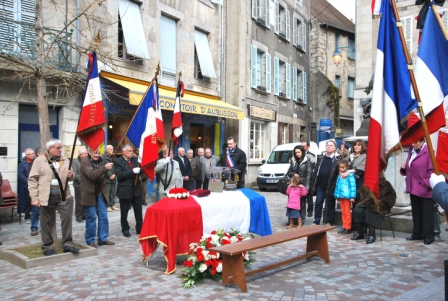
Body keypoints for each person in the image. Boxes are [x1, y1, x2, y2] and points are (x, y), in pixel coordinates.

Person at [28, 138, 79, 256]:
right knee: (46, 222)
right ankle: (47, 246)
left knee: (67, 220)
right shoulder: (40, 161)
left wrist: (71, 175)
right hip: (46, 195)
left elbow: (72, 177)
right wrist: (34, 197)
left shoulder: (65, 160)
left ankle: (68, 244)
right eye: (58, 148)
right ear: (50, 149)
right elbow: (32, 179)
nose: (60, 150)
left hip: (64, 195)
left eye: (61, 147)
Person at [400, 138, 435, 245]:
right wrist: (404, 168)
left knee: (427, 213)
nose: (414, 144)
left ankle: (428, 236)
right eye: (413, 142)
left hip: (424, 187)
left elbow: (432, 170)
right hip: (413, 186)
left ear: (423, 141)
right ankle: (417, 233)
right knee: (416, 212)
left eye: (417, 142)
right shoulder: (411, 150)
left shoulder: (429, 151)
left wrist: (425, 183)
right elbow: (411, 167)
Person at [80, 147, 115, 248]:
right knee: (91, 217)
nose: (97, 155)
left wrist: (109, 171)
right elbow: (92, 175)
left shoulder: (101, 161)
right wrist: (105, 168)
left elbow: (107, 173)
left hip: (100, 192)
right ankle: (90, 239)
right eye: (95, 153)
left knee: (103, 216)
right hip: (89, 193)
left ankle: (103, 238)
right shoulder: (85, 162)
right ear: (89, 152)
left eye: (99, 153)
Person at [353, 173, 397, 244]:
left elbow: (392, 197)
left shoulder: (386, 184)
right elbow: (361, 194)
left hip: (380, 205)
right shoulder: (368, 183)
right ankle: (360, 233)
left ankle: (371, 235)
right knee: (357, 210)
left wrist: (380, 202)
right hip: (366, 202)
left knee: (371, 211)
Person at [114, 144, 143, 238]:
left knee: (138, 210)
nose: (131, 153)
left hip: (136, 189)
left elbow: (141, 170)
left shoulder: (135, 159)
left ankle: (140, 227)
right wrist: (132, 171)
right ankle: (125, 228)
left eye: (132, 151)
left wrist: (140, 169)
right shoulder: (118, 161)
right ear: (123, 152)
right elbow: (120, 175)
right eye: (129, 151)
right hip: (125, 189)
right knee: (124, 211)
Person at [310, 140, 341, 225]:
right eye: (327, 145)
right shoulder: (321, 158)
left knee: (330, 204)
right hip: (320, 184)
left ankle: (329, 221)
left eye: (331, 145)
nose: (329, 147)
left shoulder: (337, 159)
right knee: (318, 202)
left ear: (335, 148)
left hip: (331, 185)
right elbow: (316, 170)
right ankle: (316, 220)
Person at [287, 145, 312, 224]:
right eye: (296, 152)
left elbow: (309, 175)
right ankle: (291, 220)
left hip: (302, 185)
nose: (297, 154)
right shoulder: (293, 161)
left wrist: (306, 187)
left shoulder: (307, 161)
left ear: (302, 152)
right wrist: (294, 174)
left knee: (302, 203)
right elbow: (289, 172)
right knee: (291, 202)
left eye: (298, 152)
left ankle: (301, 220)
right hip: (293, 185)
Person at [334, 159, 356, 234]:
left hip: (347, 196)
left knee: (347, 212)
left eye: (343, 167)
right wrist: (337, 195)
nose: (341, 169)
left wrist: (352, 197)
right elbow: (337, 186)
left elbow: (352, 186)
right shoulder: (339, 176)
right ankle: (344, 226)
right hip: (341, 196)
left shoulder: (350, 175)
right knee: (343, 212)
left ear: (346, 167)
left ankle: (348, 227)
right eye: (340, 167)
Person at [29, 147, 44, 236]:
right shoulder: (34, 163)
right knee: (35, 211)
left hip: (45, 190)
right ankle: (34, 228)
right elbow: (31, 178)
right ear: (38, 154)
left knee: (45, 212)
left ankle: (44, 227)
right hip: (36, 190)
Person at [18, 148, 35, 224]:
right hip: (27, 185)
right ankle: (27, 216)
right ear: (27, 155)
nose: (32, 155)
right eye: (30, 154)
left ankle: (36, 216)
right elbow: (20, 174)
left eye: (33, 153)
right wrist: (28, 182)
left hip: (36, 185)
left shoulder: (36, 162)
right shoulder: (23, 163)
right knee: (28, 201)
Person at [72, 147, 88, 223]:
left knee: (85, 200)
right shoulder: (75, 162)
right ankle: (78, 216)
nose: (86, 154)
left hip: (87, 184)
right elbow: (75, 173)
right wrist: (83, 181)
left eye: (87, 153)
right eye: (85, 153)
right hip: (78, 185)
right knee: (79, 201)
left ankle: (84, 215)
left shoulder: (87, 161)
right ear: (81, 154)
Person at [301, 141, 316, 217]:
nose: (302, 147)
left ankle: (310, 211)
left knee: (309, 196)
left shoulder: (311, 155)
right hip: (301, 179)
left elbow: (313, 166)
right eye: (302, 146)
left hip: (309, 178)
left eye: (304, 146)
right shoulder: (299, 155)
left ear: (308, 147)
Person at [102, 145, 119, 211]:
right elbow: (103, 167)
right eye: (111, 149)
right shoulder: (103, 157)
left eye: (112, 149)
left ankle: (113, 204)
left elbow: (116, 167)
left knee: (113, 192)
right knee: (107, 192)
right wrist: (109, 175)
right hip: (107, 178)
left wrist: (115, 174)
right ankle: (107, 205)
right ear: (107, 150)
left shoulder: (114, 157)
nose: (112, 150)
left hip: (114, 177)